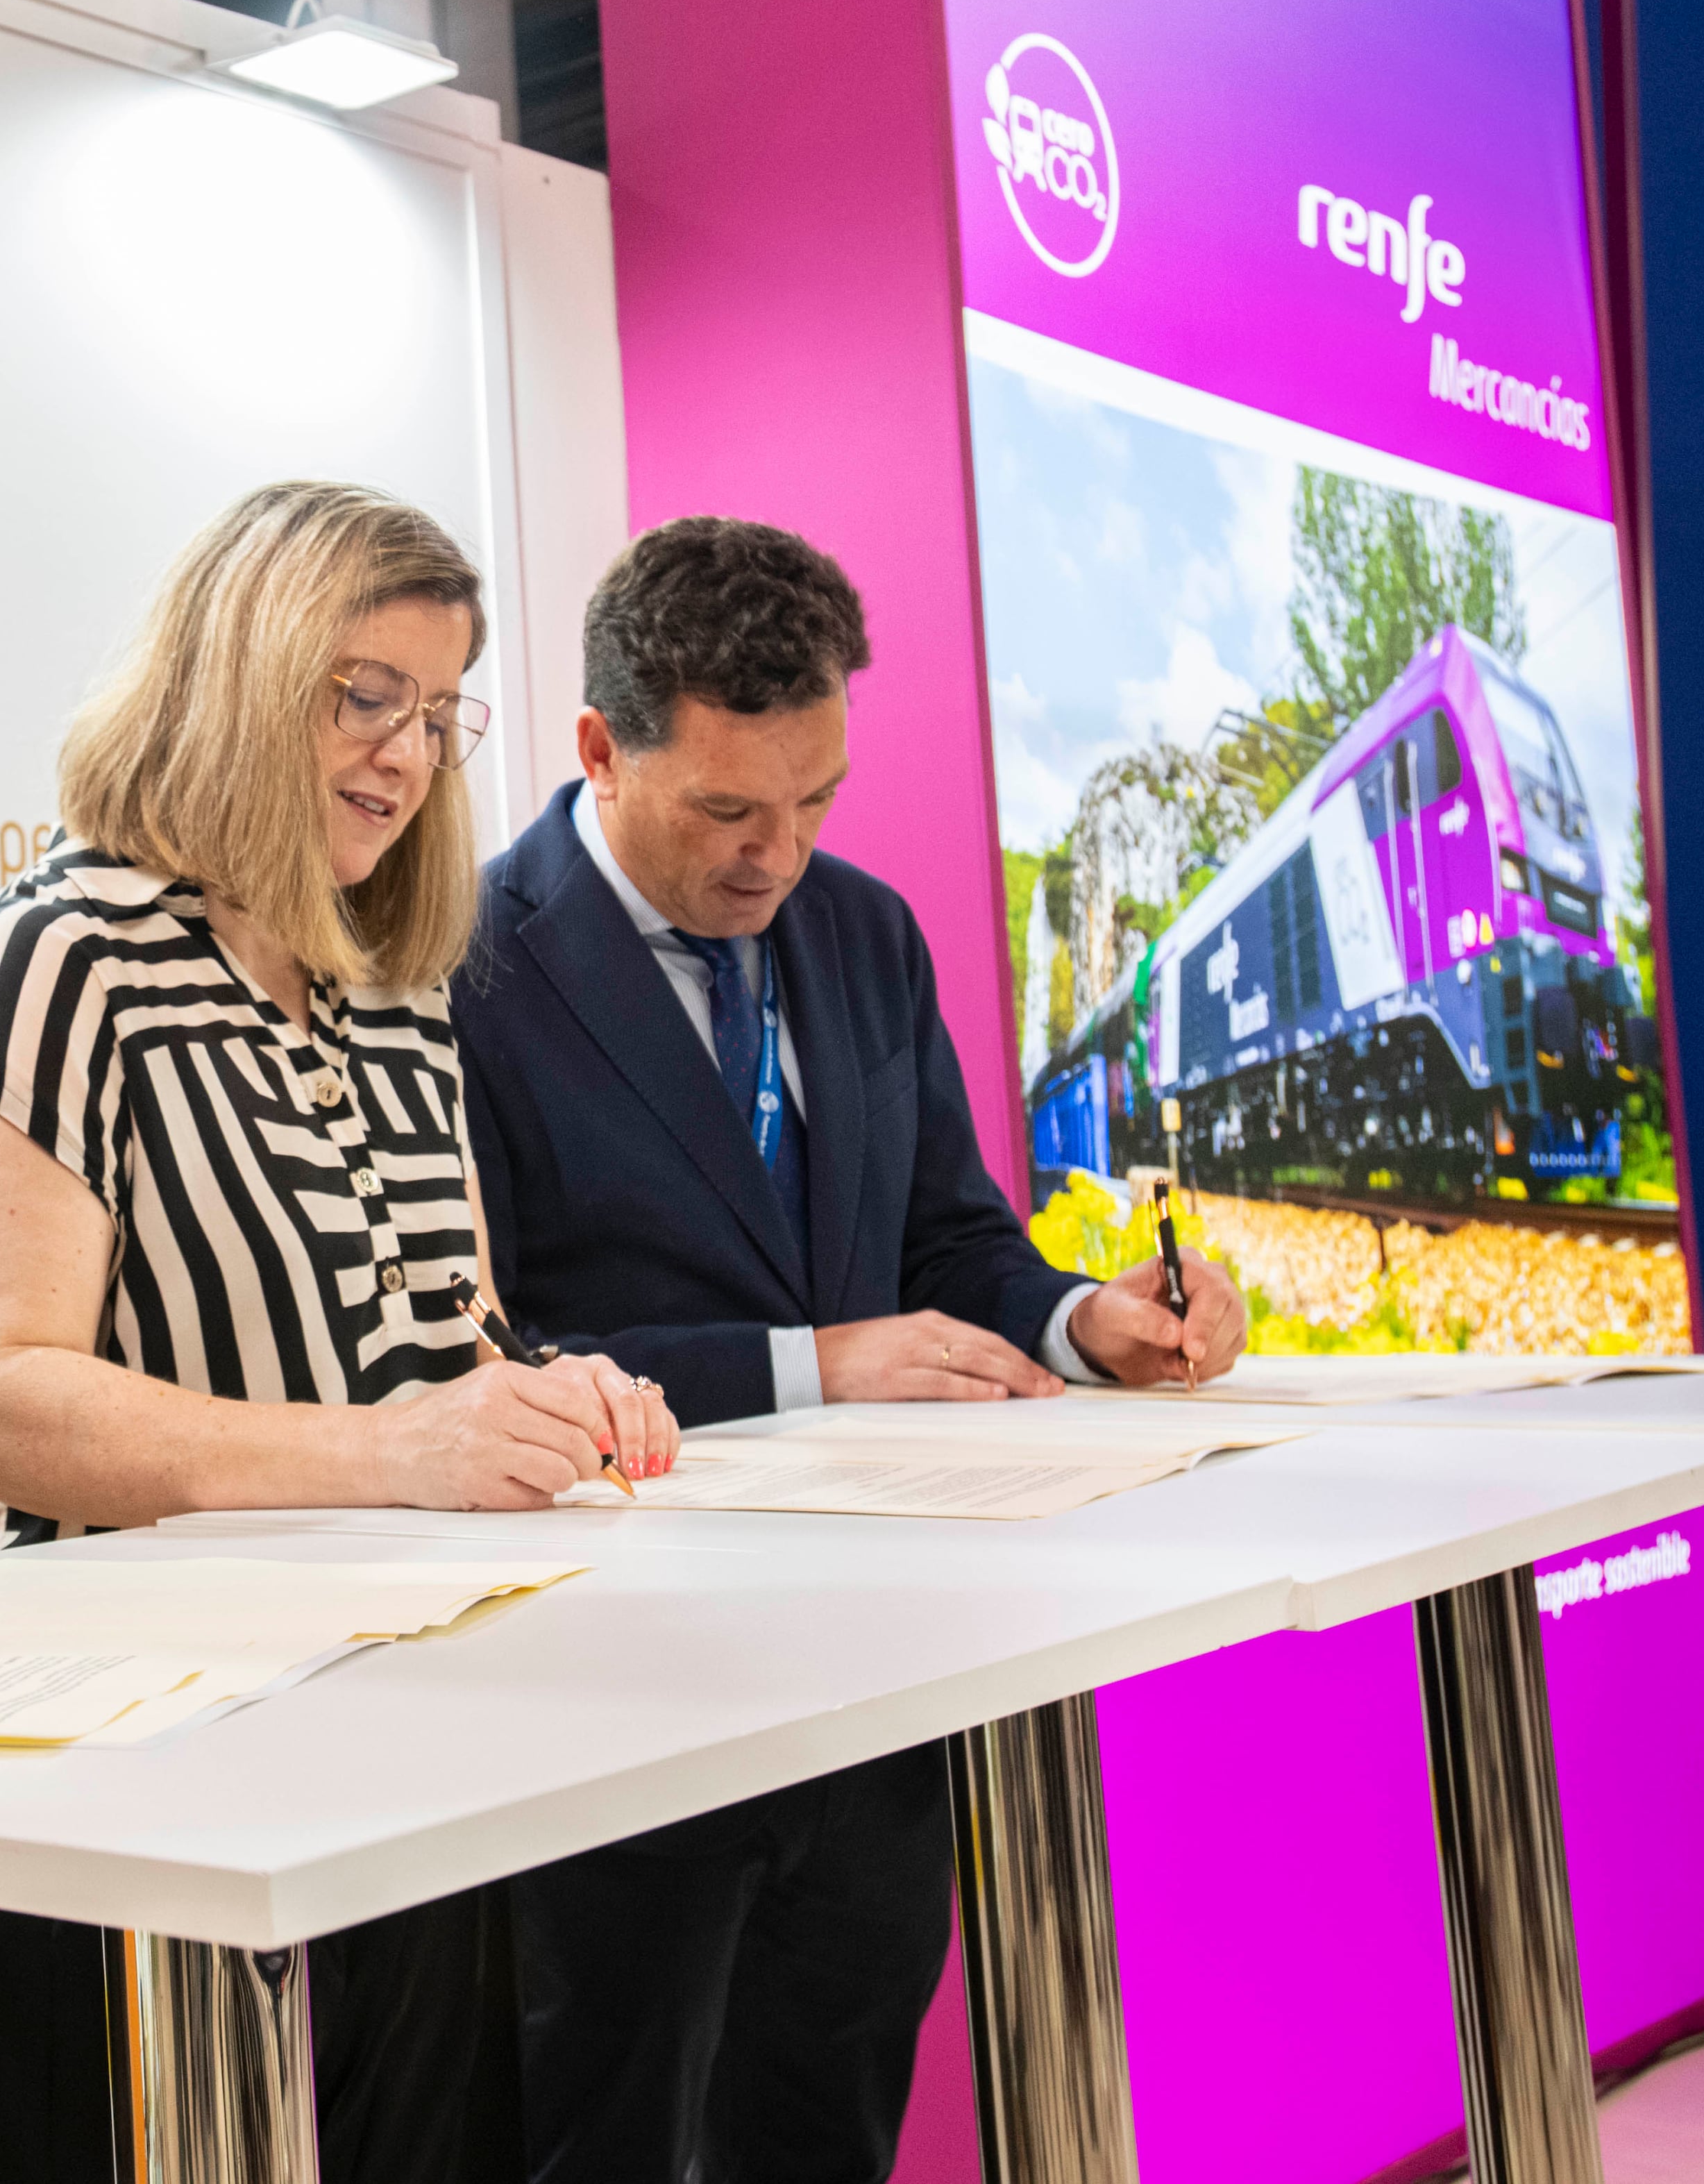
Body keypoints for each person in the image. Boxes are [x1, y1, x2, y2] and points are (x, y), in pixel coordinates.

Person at [0, 480, 682, 2184]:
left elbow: (411, 1357)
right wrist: (401, 1450)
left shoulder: (392, 988)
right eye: (357, 692)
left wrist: (542, 1398)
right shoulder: (60, 951)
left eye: (438, 715)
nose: (401, 753)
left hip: (389, 1755)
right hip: (117, 1806)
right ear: (234, 670)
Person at [456, 514, 1247, 2183]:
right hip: (614, 1698)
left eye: (816, 799)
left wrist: (1077, 1314)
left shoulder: (865, 934)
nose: (777, 855)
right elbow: (486, 1342)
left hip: (881, 1679)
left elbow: (945, 1232)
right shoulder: (458, 964)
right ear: (599, 749)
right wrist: (809, 1363)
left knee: (827, 2119)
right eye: (727, 810)